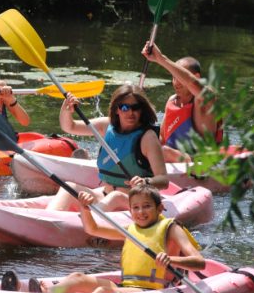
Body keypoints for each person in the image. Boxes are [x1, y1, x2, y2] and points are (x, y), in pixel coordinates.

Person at [0, 185, 204, 293]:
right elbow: (92, 228)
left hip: (153, 291)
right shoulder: (131, 229)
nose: (141, 212)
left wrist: (171, 260)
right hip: (128, 288)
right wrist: (84, 208)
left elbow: (199, 262)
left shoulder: (170, 228)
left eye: (147, 206)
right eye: (136, 207)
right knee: (77, 277)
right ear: (130, 209)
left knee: (101, 291)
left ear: (159, 208)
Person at [45, 83, 168, 212]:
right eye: (124, 107)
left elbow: (163, 180)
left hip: (135, 202)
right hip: (105, 194)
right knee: (69, 187)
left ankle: (88, 220)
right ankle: (48, 220)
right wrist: (66, 110)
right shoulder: (106, 126)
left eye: (136, 107)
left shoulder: (148, 138)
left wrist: (145, 182)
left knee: (116, 197)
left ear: (142, 109)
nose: (131, 112)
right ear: (116, 109)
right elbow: (69, 127)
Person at [141, 42, 223, 162]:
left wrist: (161, 59)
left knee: (164, 152)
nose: (176, 82)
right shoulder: (171, 101)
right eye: (174, 77)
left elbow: (192, 83)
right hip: (171, 163)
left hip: (200, 165)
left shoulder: (206, 100)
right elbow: (162, 139)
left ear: (197, 77)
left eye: (179, 77)